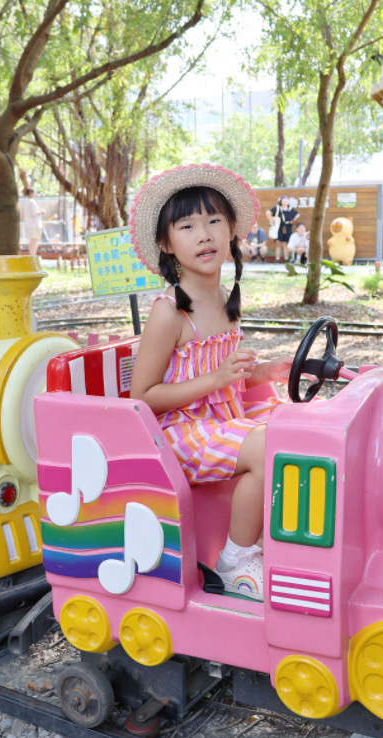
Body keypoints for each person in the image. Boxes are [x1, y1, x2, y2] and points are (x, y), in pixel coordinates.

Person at [128, 164, 292, 601]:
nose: (204, 235)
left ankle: (284, 542)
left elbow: (230, 382)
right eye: (187, 226)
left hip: (225, 417)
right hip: (180, 432)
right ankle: (236, 560)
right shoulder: (169, 314)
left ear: (232, 231)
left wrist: (267, 371)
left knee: (302, 428)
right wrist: (214, 378)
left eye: (214, 221)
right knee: (267, 445)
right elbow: (142, 399)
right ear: (166, 243)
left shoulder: (225, 299)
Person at [266, 196, 298, 262]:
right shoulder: (277, 208)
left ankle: (286, 259)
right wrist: (271, 220)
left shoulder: (291, 209)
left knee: (285, 243)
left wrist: (293, 220)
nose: (286, 201)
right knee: (278, 243)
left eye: (287, 200)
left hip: (288, 227)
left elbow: (297, 214)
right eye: (284, 199)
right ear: (281, 201)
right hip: (278, 228)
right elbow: (268, 213)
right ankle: (277, 259)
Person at [21, 188, 43, 257]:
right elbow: (34, 213)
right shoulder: (31, 202)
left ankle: (32, 254)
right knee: (35, 239)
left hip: (29, 224)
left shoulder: (26, 201)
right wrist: (41, 212)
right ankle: (33, 255)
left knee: (32, 240)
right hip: (34, 224)